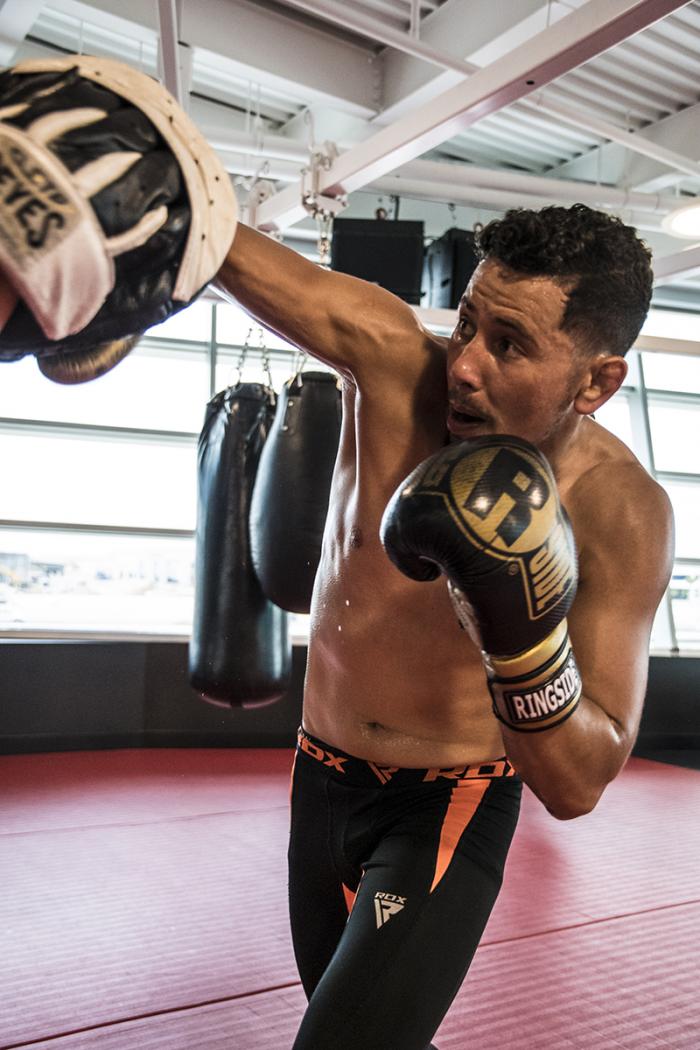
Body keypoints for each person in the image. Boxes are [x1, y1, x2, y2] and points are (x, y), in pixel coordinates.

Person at [215, 204, 674, 1050]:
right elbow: (221, 247)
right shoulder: (392, 368)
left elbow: (579, 785)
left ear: (596, 383)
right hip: (316, 783)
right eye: (466, 322)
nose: (464, 365)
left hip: (445, 809)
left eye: (510, 344)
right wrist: (158, 190)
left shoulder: (621, 510)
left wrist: (520, 640)